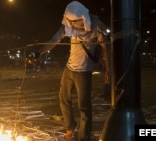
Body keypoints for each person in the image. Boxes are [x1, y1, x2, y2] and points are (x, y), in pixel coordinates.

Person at [37, 1, 110, 141]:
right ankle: (70, 127)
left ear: (83, 17)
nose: (74, 25)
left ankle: (84, 137)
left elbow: (105, 47)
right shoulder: (68, 25)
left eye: (76, 21)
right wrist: (39, 52)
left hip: (84, 72)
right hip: (69, 68)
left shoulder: (95, 24)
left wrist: (108, 69)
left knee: (84, 107)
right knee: (64, 99)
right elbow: (54, 40)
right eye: (71, 21)